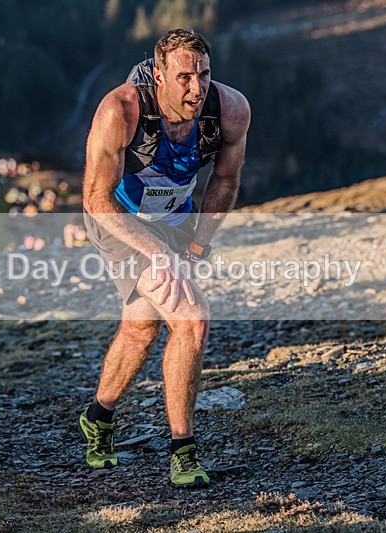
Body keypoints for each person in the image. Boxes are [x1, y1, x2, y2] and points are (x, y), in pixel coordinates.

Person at [80, 29, 250, 487]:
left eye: (204, 74)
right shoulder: (121, 111)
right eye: (184, 78)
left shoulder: (230, 109)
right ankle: (183, 451)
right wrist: (159, 254)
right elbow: (96, 200)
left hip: (176, 220)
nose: (197, 88)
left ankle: (98, 417)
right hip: (120, 220)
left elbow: (225, 180)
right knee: (192, 319)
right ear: (158, 75)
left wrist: (196, 247)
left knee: (141, 327)